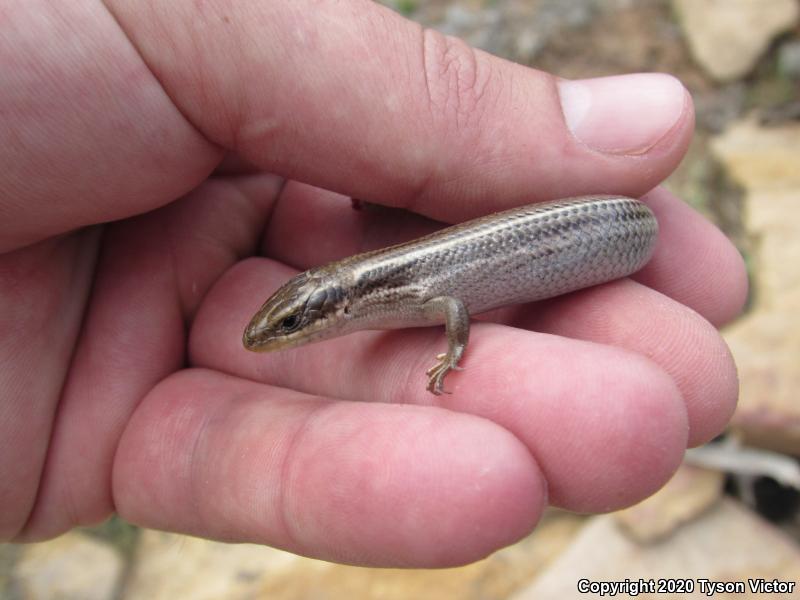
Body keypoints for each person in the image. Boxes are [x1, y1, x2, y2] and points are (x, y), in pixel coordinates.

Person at [1, 1, 746, 566]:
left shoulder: (392, 293)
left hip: (616, 223)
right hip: (599, 235)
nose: (284, 337)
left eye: (293, 324)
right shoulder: (375, 295)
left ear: (338, 304)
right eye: (292, 326)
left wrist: (454, 355)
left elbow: (453, 302)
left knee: (668, 352)